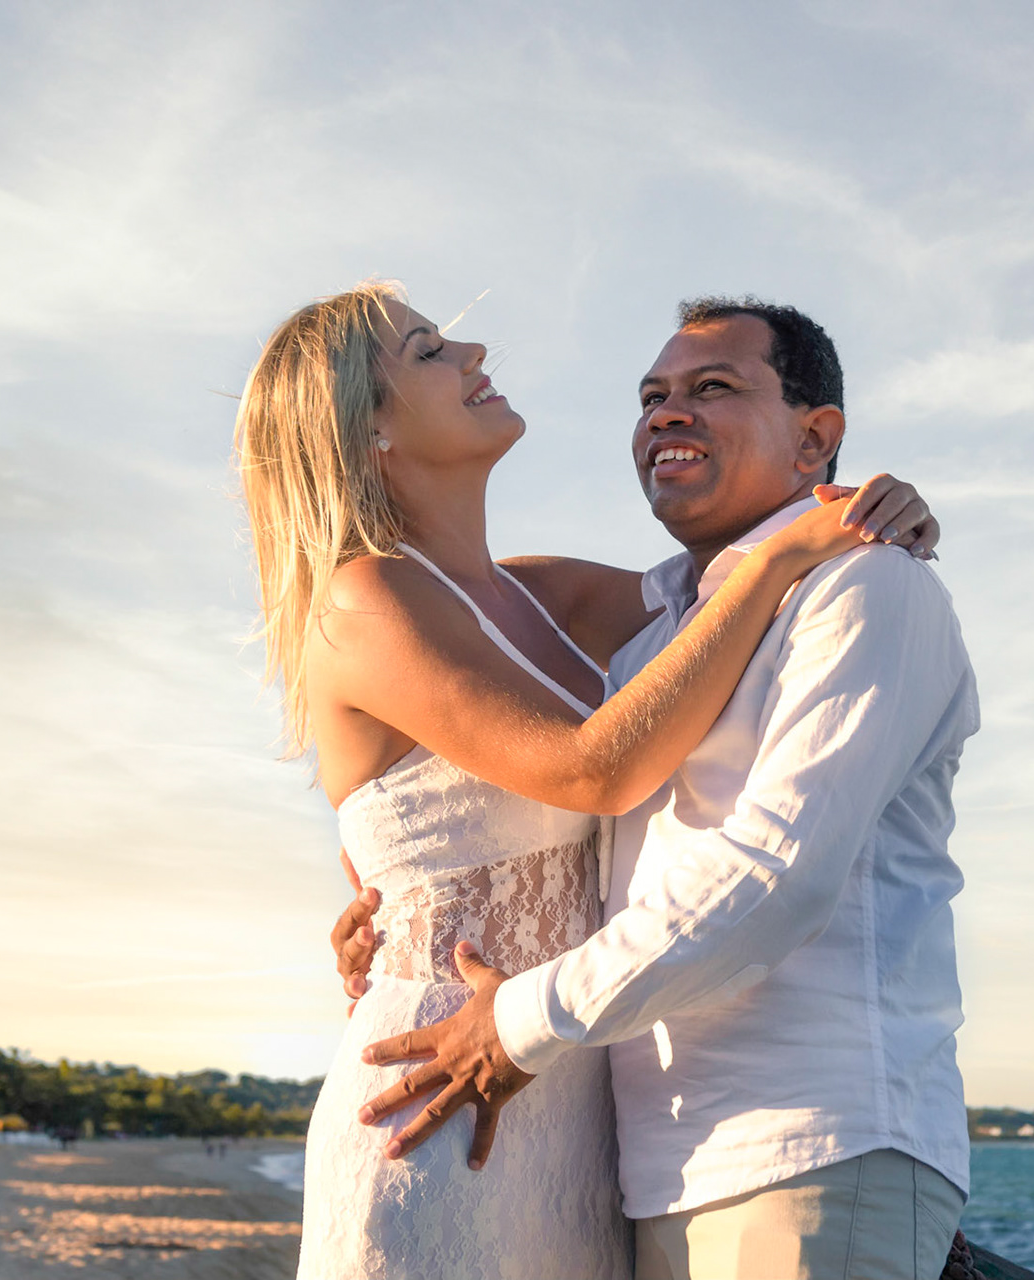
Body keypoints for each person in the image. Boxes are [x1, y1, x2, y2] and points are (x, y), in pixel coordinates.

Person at [234, 281, 938, 1279]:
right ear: (371, 428)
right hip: (438, 1091)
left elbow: (715, 588)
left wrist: (853, 506)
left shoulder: (548, 591)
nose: (475, 351)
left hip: (577, 1108)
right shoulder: (365, 594)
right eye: (431, 350)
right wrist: (790, 549)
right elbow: (596, 767)